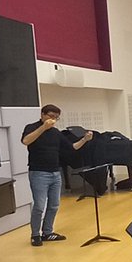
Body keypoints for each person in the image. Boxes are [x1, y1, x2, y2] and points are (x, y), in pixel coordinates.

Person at [21, 104, 92, 246]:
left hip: (55, 172)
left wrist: (85, 139)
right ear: (43, 115)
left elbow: (72, 147)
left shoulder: (56, 133)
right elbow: (26, 141)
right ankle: (35, 234)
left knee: (54, 205)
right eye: (51, 116)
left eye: (56, 117)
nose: (53, 120)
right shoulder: (31, 127)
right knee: (39, 206)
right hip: (38, 173)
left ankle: (48, 232)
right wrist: (43, 128)